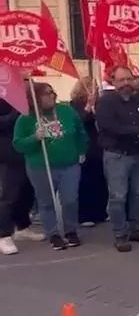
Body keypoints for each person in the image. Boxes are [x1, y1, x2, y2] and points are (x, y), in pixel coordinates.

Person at [13, 83, 88, 250]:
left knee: (70, 199)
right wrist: (34, 138)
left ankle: (71, 230)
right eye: (46, 94)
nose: (52, 96)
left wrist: (82, 150)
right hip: (40, 167)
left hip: (69, 164)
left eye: (52, 92)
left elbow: (80, 131)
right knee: (46, 202)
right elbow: (18, 144)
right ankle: (52, 233)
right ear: (35, 98)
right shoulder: (25, 118)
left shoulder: (66, 111)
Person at [95, 66, 139, 252]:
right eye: (121, 80)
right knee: (118, 196)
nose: (126, 83)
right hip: (117, 155)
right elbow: (109, 127)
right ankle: (120, 234)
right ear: (113, 82)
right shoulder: (105, 101)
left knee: (138, 194)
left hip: (138, 154)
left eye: (129, 79)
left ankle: (137, 229)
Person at [0, 96, 40, 255]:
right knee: (9, 195)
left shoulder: (21, 95)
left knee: (27, 191)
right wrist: (18, 112)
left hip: (26, 152)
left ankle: (23, 226)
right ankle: (4, 234)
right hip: (7, 153)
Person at [70, 78, 108, 227]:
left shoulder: (100, 104)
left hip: (99, 146)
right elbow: (77, 122)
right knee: (86, 181)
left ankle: (100, 212)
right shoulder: (75, 105)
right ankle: (85, 215)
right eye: (91, 87)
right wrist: (88, 106)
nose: (95, 90)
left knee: (100, 180)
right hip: (86, 146)